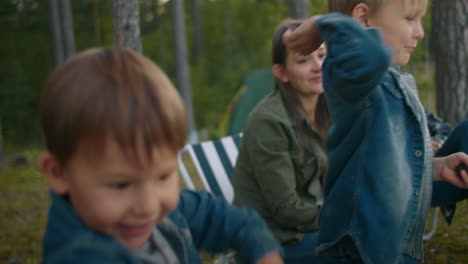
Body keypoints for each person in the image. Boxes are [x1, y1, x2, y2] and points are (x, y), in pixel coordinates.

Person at [37, 47, 284, 264]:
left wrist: (263, 251)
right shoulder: (81, 256)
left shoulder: (163, 211)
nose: (148, 206)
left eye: (163, 176)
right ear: (59, 173)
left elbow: (227, 218)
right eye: (121, 184)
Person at [283, 0, 468, 263]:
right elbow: (373, 51)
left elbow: (384, 161)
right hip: (360, 249)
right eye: (409, 19)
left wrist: (436, 167)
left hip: (393, 244)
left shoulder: (391, 80)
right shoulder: (354, 81)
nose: (420, 31)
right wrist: (321, 24)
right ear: (363, 19)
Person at [232, 19, 331, 263]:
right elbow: (286, 209)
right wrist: (342, 215)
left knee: (380, 232)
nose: (318, 66)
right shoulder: (269, 122)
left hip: (307, 230)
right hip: (271, 241)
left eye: (322, 55)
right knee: (359, 247)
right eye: (303, 60)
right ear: (281, 73)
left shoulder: (328, 110)